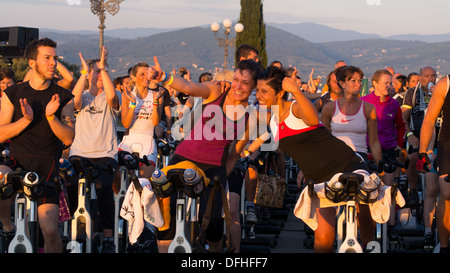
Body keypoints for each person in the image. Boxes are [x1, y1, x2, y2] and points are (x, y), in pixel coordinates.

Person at [243, 66, 375, 253]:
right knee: (322, 241)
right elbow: (254, 131)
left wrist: (296, 90)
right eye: (257, 90)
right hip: (319, 176)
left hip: (345, 162)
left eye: (264, 91)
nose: (259, 95)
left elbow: (313, 120)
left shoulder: (295, 108)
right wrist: (243, 153)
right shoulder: (271, 118)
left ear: (280, 93)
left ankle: (371, 247)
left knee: (362, 210)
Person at [149, 56, 262, 253]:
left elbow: (234, 154)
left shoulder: (250, 118)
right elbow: (189, 87)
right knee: (167, 207)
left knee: (213, 221)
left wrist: (221, 181)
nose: (238, 86)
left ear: (253, 87)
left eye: (245, 83)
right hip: (184, 156)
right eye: (236, 79)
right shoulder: (218, 89)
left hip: (214, 166)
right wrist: (165, 77)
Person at [0, 38, 75, 253]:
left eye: (55, 58)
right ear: (32, 63)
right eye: (47, 58)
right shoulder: (13, 93)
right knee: (1, 176)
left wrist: (52, 118)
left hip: (47, 164)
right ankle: (7, 225)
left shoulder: (63, 96)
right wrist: (25, 121)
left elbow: (69, 138)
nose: (53, 63)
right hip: (17, 159)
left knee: (50, 230)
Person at [68, 46, 121, 253]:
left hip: (105, 154)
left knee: (103, 187)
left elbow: (111, 97)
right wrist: (83, 73)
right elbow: (74, 102)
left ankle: (108, 236)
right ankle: (77, 227)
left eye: (103, 71)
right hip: (80, 152)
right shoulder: (83, 96)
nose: (100, 74)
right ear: (89, 74)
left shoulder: (112, 95)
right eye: (96, 71)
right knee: (71, 184)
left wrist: (104, 66)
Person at [361, 69, 406, 237]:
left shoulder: (394, 104)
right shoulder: (364, 102)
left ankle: (391, 225)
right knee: (370, 190)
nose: (390, 85)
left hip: (388, 150)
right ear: (375, 83)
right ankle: (370, 226)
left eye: (391, 82)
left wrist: (400, 146)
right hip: (368, 151)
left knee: (388, 189)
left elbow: (401, 125)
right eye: (386, 83)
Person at [321, 66, 382, 166]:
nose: (358, 84)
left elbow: (374, 142)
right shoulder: (329, 108)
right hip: (336, 156)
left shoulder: (368, 108)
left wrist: (380, 167)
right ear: (342, 84)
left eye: (360, 81)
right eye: (353, 81)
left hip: (360, 157)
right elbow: (322, 139)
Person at [419, 73, 450, 252]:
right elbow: (430, 119)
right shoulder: (445, 84)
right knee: (446, 194)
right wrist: (423, 151)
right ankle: (444, 246)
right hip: (447, 143)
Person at [401, 67, 437, 209]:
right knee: (412, 157)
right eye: (426, 76)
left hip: (436, 135)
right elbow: (404, 118)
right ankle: (414, 189)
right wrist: (409, 134)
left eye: (432, 76)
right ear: (421, 77)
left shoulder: (439, 92)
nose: (430, 79)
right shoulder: (412, 93)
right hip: (415, 134)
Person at [119, 62, 163, 179]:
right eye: (142, 74)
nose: (145, 77)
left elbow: (155, 123)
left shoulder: (157, 94)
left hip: (147, 140)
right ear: (133, 77)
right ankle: (118, 196)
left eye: (147, 74)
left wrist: (155, 102)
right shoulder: (126, 96)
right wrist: (133, 103)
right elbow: (126, 124)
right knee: (113, 167)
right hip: (128, 139)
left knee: (146, 179)